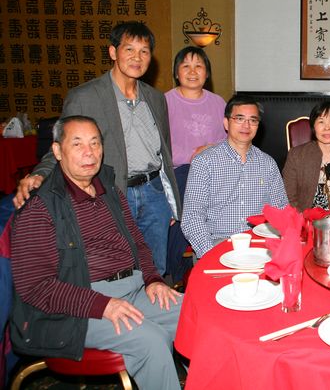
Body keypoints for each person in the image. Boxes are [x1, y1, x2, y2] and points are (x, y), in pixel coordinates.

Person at [11, 116, 182, 390]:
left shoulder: (108, 189)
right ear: (57, 151)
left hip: (133, 288)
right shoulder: (40, 208)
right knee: (151, 341)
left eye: (95, 143)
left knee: (194, 314)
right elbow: (35, 286)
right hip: (77, 307)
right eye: (77, 144)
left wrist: (152, 278)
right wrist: (102, 305)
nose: (89, 152)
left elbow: (137, 242)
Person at [13, 21, 181, 275]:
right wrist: (39, 174)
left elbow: (163, 151)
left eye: (144, 51)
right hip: (113, 193)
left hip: (154, 192)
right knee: (117, 268)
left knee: (155, 267)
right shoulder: (85, 97)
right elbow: (62, 147)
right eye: (129, 49)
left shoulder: (156, 98)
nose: (137, 57)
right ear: (113, 52)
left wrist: (169, 200)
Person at [181, 95, 288, 257]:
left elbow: (281, 210)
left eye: (253, 120)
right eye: (239, 118)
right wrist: (210, 253)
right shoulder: (204, 162)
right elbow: (192, 218)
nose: (246, 125)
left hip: (259, 245)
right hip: (216, 243)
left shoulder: (267, 163)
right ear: (226, 123)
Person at [165, 46, 226, 198]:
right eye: (186, 66)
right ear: (176, 73)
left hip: (214, 172)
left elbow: (227, 141)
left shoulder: (218, 102)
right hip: (178, 174)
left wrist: (210, 153)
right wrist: (195, 156)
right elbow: (160, 146)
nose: (192, 72)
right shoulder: (165, 102)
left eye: (198, 66)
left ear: (207, 73)